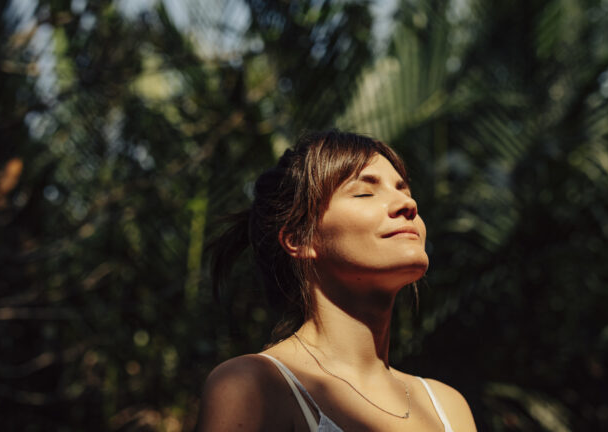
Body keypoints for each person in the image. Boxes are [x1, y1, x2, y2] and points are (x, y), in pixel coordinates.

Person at [197, 130, 477, 431]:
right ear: (299, 240)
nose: (407, 205)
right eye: (364, 193)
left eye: (405, 191)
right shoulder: (253, 386)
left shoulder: (448, 408)